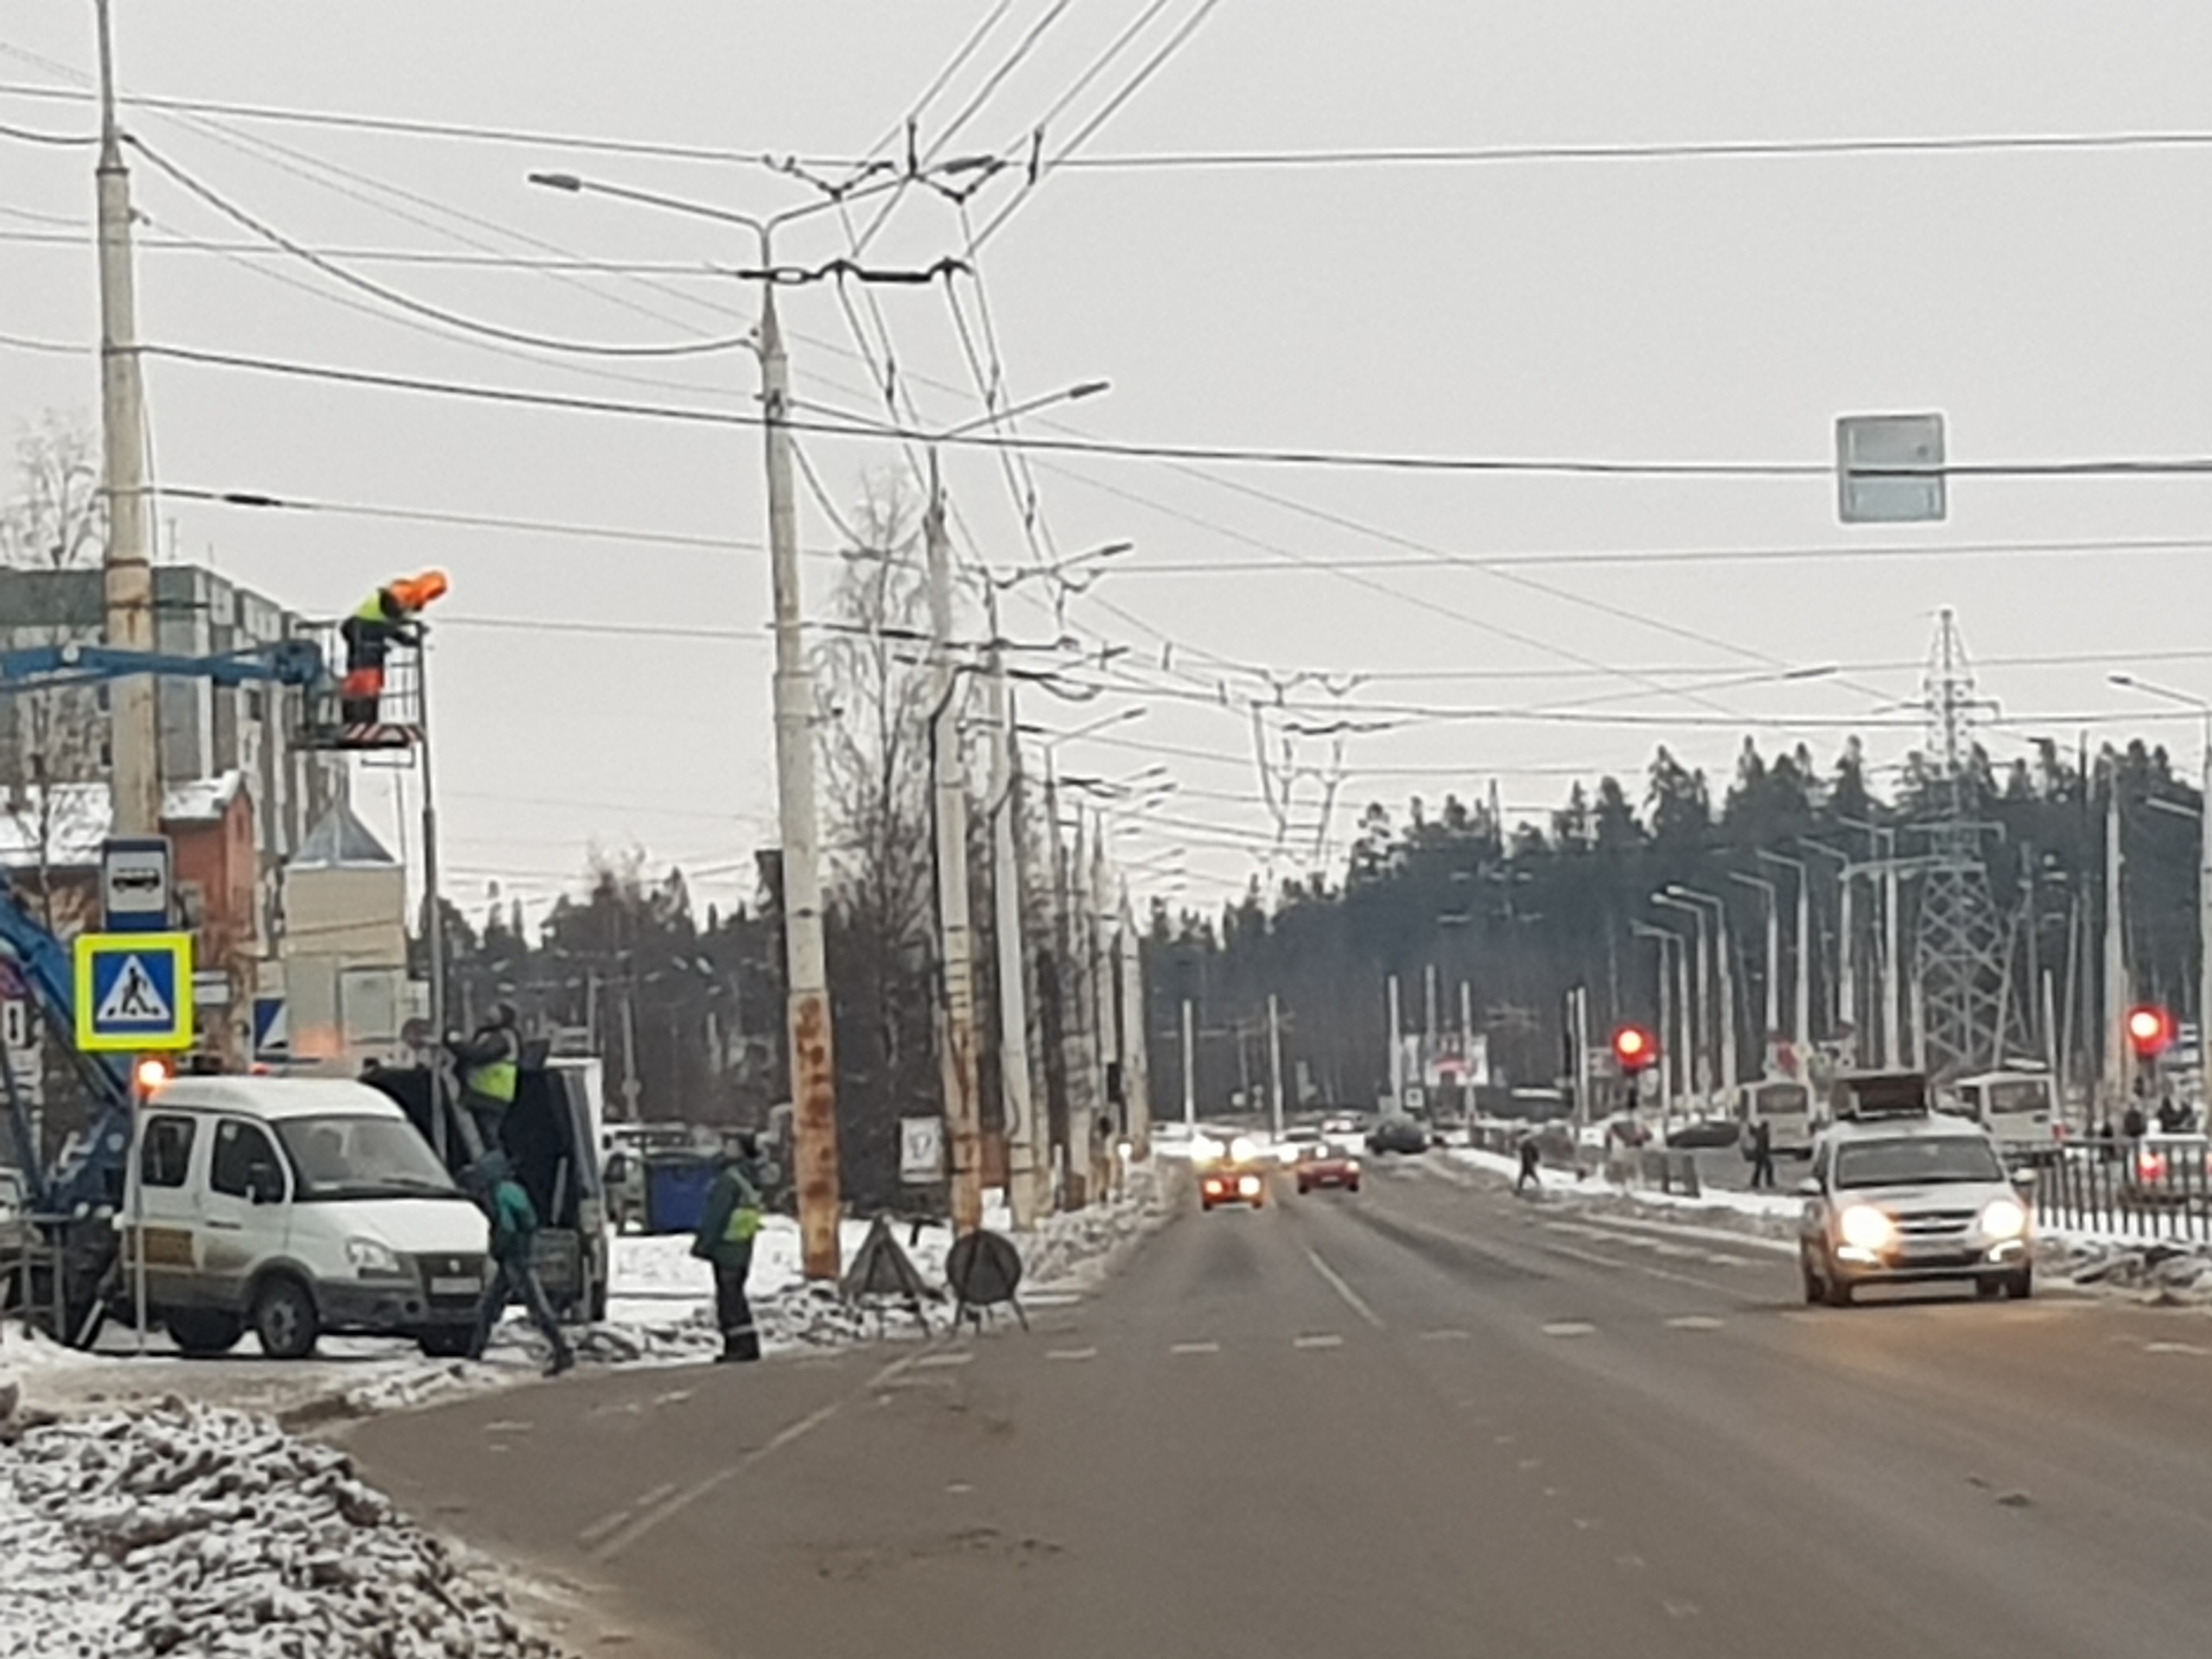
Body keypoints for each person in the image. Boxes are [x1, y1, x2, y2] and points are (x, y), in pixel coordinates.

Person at [467, 1153, 574, 1376]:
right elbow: (530, 1220)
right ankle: (474, 1351)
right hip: (523, 1252)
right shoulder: (515, 1190)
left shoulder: (498, 1193)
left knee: (533, 1306)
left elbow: (507, 1226)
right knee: (491, 1303)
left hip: (514, 1256)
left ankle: (562, 1349)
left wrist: (498, 1247)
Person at [338, 569, 447, 724]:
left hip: (365, 633)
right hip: (363, 632)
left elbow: (389, 627)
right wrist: (409, 638)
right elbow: (389, 625)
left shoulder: (404, 594)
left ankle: (361, 718)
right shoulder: (400, 594)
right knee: (365, 679)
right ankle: (359, 718)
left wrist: (411, 640)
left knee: (367, 679)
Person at [692, 1141, 766, 1363]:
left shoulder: (729, 1180)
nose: (725, 1148)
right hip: (742, 1243)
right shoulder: (750, 1177)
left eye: (730, 1145)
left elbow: (717, 1214)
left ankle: (737, 1346)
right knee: (736, 1294)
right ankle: (747, 1342)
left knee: (729, 1298)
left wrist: (703, 1245)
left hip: (726, 1245)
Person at [447, 1003, 523, 1156]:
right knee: (481, 1138)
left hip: (491, 1095)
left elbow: (479, 1055)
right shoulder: (487, 1035)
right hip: (481, 1094)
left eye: (494, 1013)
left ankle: (495, 1169)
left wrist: (454, 1043)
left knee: (490, 1139)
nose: (488, 1015)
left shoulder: (503, 1037)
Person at [1746, 1117, 1776, 1191]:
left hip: (1758, 1152)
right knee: (1769, 1167)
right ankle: (1769, 1182)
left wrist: (1750, 1126)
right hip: (1762, 1153)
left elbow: (1752, 1131)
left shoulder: (1759, 1132)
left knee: (1758, 1168)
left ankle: (1755, 1182)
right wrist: (1768, 1152)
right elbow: (1765, 1144)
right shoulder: (1764, 1133)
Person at [1515, 1128, 1542, 1194]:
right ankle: (1538, 1184)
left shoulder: (1526, 1144)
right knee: (1528, 1174)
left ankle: (1519, 1188)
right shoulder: (1528, 1143)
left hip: (1527, 1162)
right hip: (1528, 1161)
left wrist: (1533, 1160)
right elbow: (1535, 1152)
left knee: (1526, 1174)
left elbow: (1530, 1153)